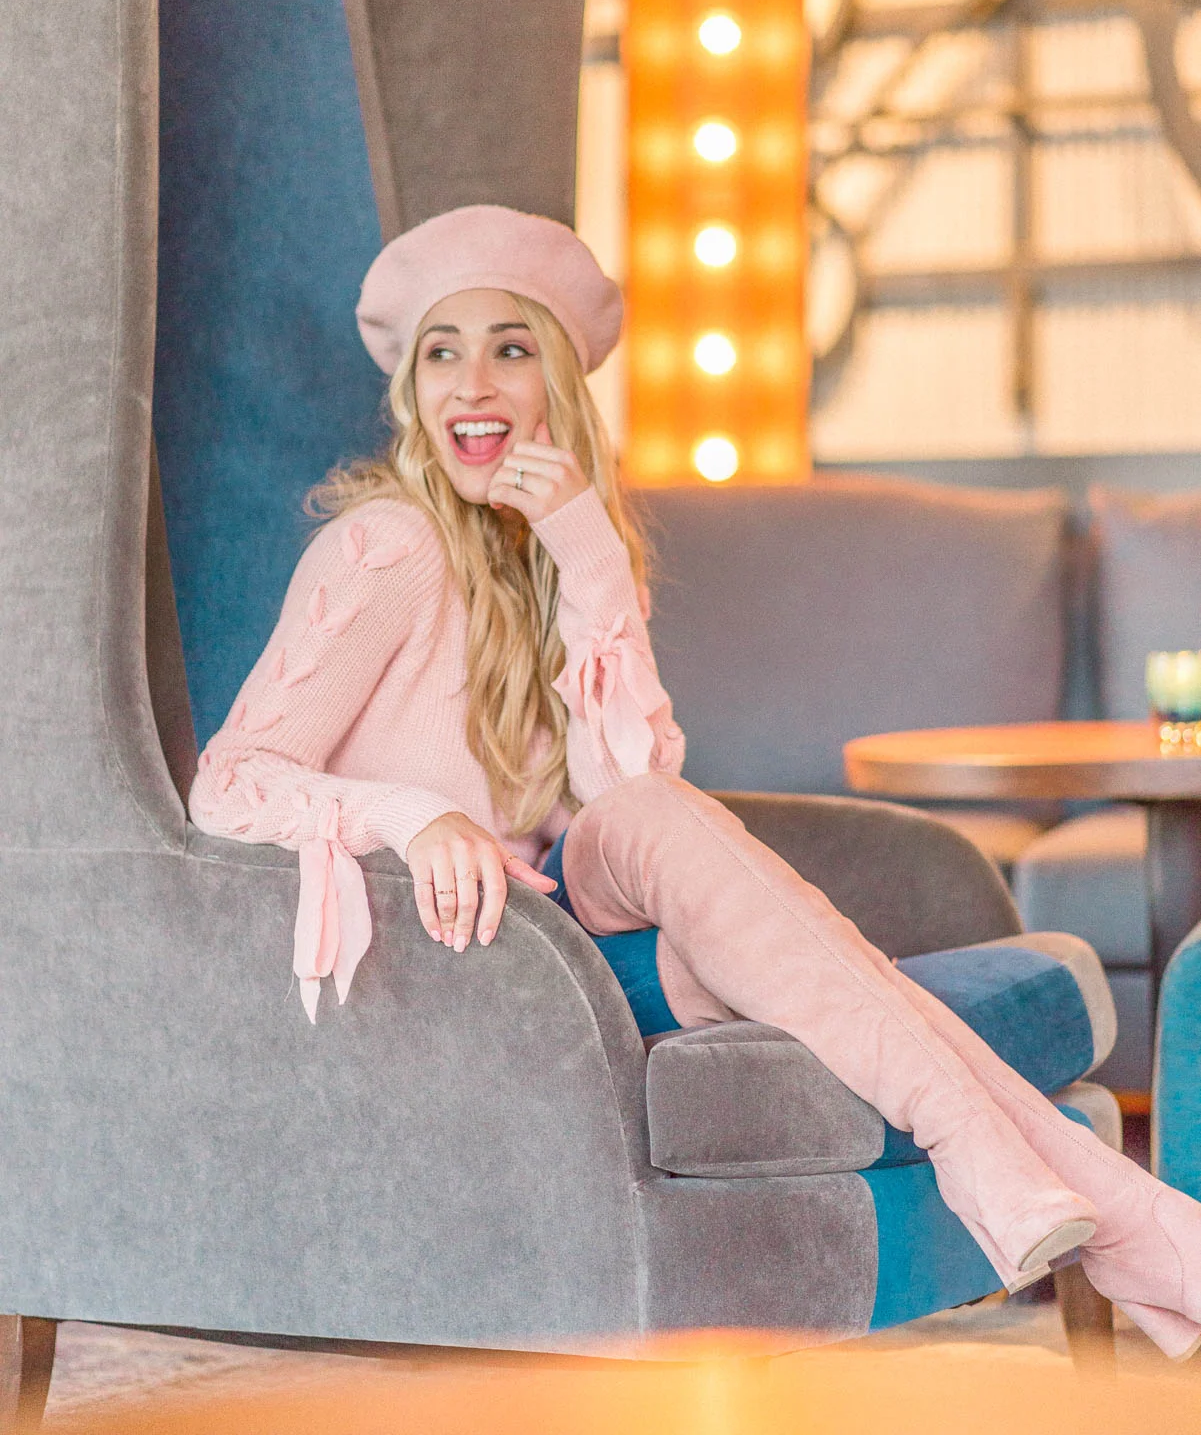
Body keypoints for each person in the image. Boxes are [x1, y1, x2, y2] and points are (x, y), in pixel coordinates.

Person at [191, 204, 1201, 1359]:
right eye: (441, 352)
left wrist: (584, 550)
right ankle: (1136, 1227)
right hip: (450, 971)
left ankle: (1039, 1187)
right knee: (825, 965)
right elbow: (227, 784)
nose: (472, 381)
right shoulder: (387, 543)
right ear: (411, 387)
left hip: (561, 951)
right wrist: (413, 819)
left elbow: (632, 785)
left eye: (510, 348)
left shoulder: (556, 550)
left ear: (556, 381)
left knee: (710, 873)